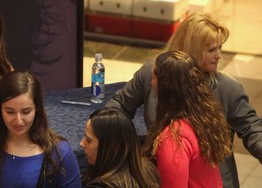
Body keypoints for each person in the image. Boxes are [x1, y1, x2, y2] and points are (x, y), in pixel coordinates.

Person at [105, 13, 262, 187]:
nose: (219, 56)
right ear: (191, 50)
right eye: (211, 50)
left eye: (220, 48)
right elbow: (119, 104)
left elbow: (252, 129)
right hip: (161, 175)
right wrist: (112, 135)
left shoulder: (227, 87)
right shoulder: (153, 73)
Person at [0, 70, 81, 188]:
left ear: (37, 109)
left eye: (26, 112)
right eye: (10, 112)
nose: (18, 120)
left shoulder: (60, 153)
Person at [142, 51, 232, 187]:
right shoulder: (202, 118)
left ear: (165, 84)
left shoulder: (173, 138)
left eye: (154, 74)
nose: (150, 79)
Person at [80, 107, 160, 188]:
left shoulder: (99, 186)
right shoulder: (148, 172)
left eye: (88, 140)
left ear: (109, 148)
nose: (82, 144)